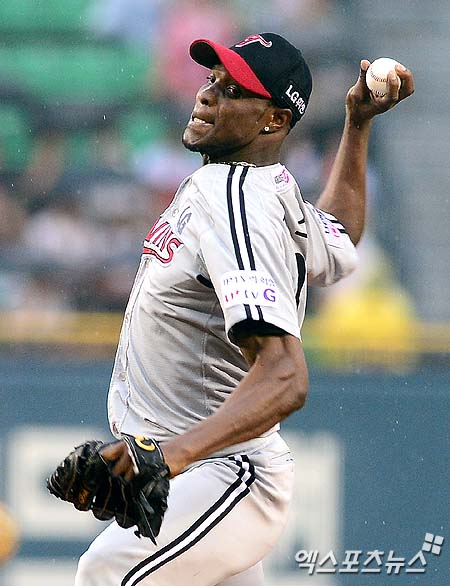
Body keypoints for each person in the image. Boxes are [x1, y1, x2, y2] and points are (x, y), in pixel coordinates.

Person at [75, 33, 414, 586]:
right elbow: (339, 232)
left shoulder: (236, 202)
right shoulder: (267, 188)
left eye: (233, 91)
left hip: (225, 473)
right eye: (212, 80)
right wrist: (357, 125)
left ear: (274, 121)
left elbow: (285, 377)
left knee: (108, 572)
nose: (207, 94)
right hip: (206, 468)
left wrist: (169, 457)